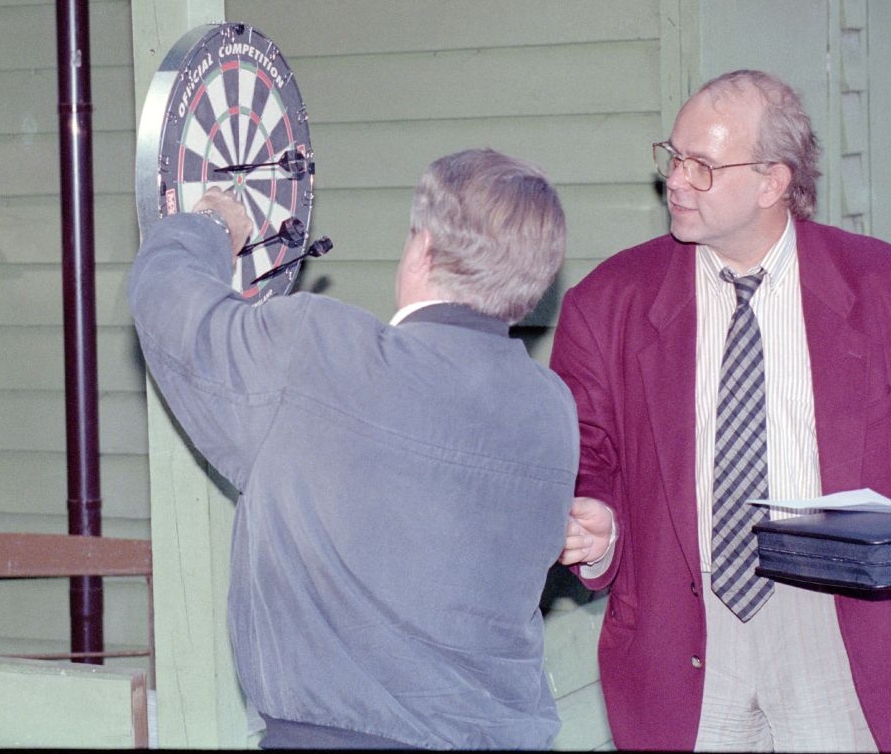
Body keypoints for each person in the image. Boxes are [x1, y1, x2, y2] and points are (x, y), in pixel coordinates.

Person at [549, 70, 891, 752]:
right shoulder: (609, 302)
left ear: (773, 182)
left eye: (703, 166)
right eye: (674, 156)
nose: (678, 181)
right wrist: (594, 511)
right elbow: (584, 448)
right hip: (680, 637)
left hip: (838, 632)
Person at [128, 149, 578, 749]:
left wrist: (212, 223)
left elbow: (167, 300)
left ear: (422, 249)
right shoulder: (550, 408)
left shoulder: (315, 349)